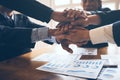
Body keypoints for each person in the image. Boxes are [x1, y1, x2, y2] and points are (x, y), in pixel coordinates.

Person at [0, 0, 76, 61]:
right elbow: (5, 33)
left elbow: (40, 30)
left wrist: (59, 36)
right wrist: (52, 32)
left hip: (25, 63)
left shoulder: (21, 18)